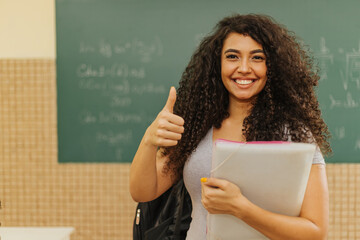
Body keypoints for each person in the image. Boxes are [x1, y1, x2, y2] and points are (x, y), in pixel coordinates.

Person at [130, 14, 331, 240]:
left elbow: (316, 231)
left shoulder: (296, 133)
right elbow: (142, 191)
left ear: (272, 66)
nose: (244, 68)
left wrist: (240, 208)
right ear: (218, 64)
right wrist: (149, 140)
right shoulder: (196, 125)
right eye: (232, 56)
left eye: (257, 58)